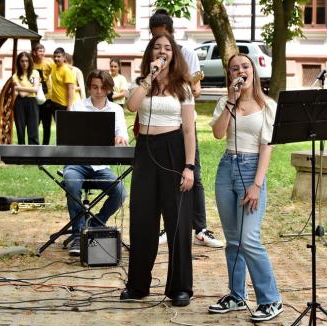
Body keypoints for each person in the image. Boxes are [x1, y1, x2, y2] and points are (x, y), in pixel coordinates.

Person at [120, 33, 195, 307]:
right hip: (146, 152)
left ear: (173, 55)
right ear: (150, 55)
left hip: (173, 150)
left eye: (167, 48)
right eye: (157, 48)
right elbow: (131, 106)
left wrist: (189, 166)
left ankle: (179, 287)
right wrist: (149, 79)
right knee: (142, 219)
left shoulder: (182, 87)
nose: (162, 52)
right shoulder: (142, 83)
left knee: (177, 221)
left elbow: (189, 130)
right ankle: (138, 285)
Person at [207, 53, 282, 322]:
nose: (240, 70)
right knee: (234, 241)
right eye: (234, 68)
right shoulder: (225, 102)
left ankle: (271, 299)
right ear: (230, 75)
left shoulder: (267, 106)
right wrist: (230, 100)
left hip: (252, 170)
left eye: (245, 66)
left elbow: (267, 147)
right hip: (226, 169)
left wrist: (257, 185)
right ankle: (237, 296)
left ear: (253, 71)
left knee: (249, 239)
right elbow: (218, 134)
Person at [149, 9, 223, 248]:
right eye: (154, 39)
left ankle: (200, 228)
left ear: (171, 34)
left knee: (194, 173)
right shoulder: (149, 57)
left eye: (163, 39)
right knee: (163, 176)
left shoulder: (186, 53)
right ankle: (165, 227)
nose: (160, 48)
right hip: (159, 125)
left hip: (183, 121)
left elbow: (197, 88)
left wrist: (184, 89)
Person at [64, 70, 128, 256]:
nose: (99, 91)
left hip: (101, 165)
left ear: (109, 89)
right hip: (77, 163)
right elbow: (68, 137)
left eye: (103, 88)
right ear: (89, 87)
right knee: (71, 181)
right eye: (94, 87)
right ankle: (78, 235)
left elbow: (124, 136)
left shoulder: (116, 109)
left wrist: (120, 138)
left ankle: (93, 224)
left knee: (120, 191)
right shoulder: (78, 106)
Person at [11, 52, 40, 145]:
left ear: (30, 61)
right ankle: (22, 152)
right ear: (19, 62)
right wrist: (32, 89)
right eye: (22, 61)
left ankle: (34, 153)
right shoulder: (15, 76)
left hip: (32, 102)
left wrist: (20, 88)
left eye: (27, 61)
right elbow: (22, 94)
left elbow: (35, 89)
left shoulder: (35, 73)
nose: (24, 63)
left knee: (33, 129)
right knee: (20, 129)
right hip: (20, 102)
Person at [32, 43, 55, 145]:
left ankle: (45, 145)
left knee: (47, 124)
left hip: (47, 98)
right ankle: (35, 145)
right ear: (34, 53)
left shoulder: (48, 63)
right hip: (34, 96)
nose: (42, 53)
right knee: (34, 123)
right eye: (40, 51)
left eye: (43, 51)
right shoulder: (30, 63)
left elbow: (57, 69)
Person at [50, 47, 76, 116]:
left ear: (64, 57)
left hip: (63, 105)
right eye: (55, 56)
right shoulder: (53, 66)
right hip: (54, 102)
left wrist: (69, 107)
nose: (56, 58)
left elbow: (70, 90)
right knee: (58, 125)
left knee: (64, 126)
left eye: (59, 57)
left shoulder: (67, 71)